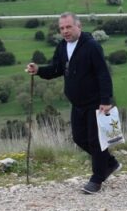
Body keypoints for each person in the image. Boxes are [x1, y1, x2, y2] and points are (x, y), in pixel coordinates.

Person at [26, 12, 119, 195]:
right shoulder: (62, 47)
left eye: (68, 27)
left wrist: (105, 100)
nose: (65, 31)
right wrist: (38, 70)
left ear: (79, 26)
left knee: (95, 141)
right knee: (79, 138)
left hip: (95, 103)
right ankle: (109, 163)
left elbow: (103, 73)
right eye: (62, 28)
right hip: (77, 104)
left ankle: (97, 179)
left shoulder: (91, 46)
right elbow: (56, 69)